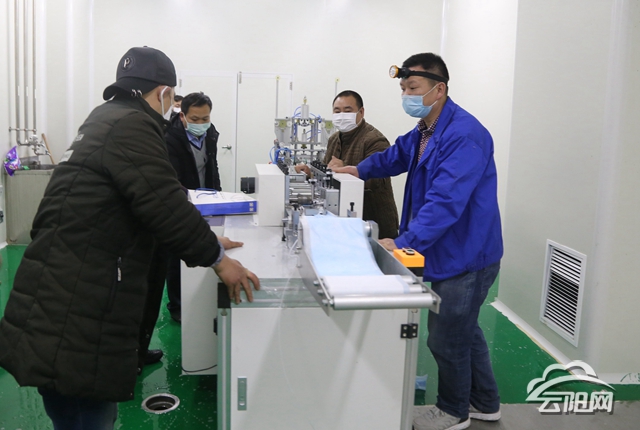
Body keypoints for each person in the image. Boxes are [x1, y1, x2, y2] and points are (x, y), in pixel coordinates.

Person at [0, 46, 259, 430]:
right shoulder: (133, 125)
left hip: (60, 282)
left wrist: (205, 236)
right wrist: (219, 261)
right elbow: (162, 201)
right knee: (87, 413)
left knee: (76, 408)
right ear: (164, 93)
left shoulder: (105, 116)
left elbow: (155, 192)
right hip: (79, 295)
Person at [334, 53, 503, 430]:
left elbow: (445, 202)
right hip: (449, 248)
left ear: (438, 89)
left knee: (446, 337)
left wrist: (403, 243)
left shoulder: (464, 134)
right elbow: (394, 157)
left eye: (413, 88)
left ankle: (454, 411)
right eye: (403, 89)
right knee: (465, 329)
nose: (406, 95)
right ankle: (485, 402)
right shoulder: (426, 130)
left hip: (467, 253)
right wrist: (355, 170)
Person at [295, 90, 399, 239]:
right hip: (343, 220)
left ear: (361, 112)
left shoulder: (374, 140)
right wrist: (310, 174)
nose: (342, 115)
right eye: (337, 111)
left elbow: (377, 180)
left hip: (373, 222)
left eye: (347, 111)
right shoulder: (334, 139)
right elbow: (327, 175)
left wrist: (345, 168)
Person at [164, 91, 222, 322]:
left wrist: (218, 196)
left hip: (206, 199)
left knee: (204, 244)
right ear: (183, 116)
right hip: (180, 201)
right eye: (195, 119)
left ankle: (200, 298)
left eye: (205, 119)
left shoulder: (211, 133)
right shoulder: (170, 138)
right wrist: (185, 202)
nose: (200, 123)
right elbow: (171, 177)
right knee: (176, 254)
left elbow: (212, 166)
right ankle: (177, 306)